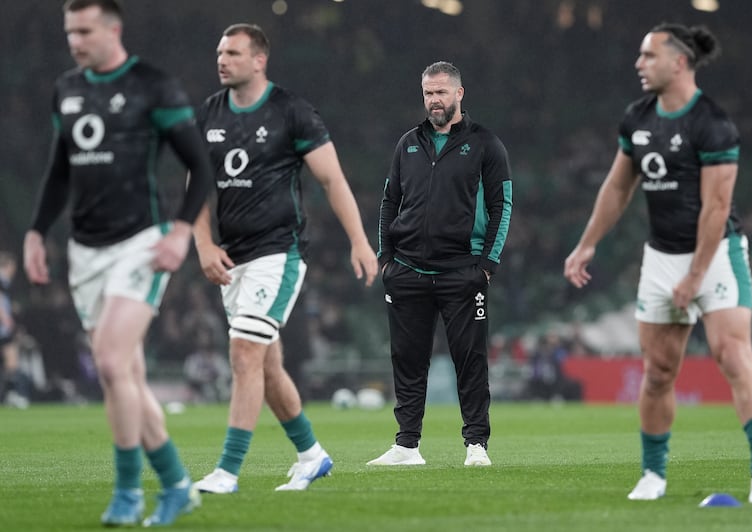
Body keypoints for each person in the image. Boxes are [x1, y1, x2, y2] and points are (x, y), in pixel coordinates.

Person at [564, 23, 752, 504]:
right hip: (661, 257)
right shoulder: (637, 118)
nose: (639, 64)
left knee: (731, 354)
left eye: (648, 55)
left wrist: (696, 276)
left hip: (717, 255)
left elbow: (716, 208)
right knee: (659, 371)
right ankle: (653, 475)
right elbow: (619, 187)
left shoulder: (714, 124)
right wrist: (587, 244)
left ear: (678, 62)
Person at [23, 0, 213, 525]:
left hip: (141, 244)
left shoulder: (153, 85)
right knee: (125, 376)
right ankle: (177, 484)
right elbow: (59, 170)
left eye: (84, 30)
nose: (75, 40)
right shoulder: (67, 88)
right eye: (69, 31)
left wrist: (179, 229)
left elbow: (200, 166)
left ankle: (128, 492)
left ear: (113, 29)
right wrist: (38, 231)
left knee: (109, 362)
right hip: (85, 252)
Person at [191, 23, 377, 493]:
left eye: (232, 52)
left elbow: (333, 181)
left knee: (244, 352)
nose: (222, 59)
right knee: (267, 367)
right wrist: (204, 245)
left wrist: (359, 241)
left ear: (259, 60)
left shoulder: (291, 112)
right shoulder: (209, 113)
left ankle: (227, 472)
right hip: (231, 261)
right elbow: (194, 191)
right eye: (219, 51)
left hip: (278, 253)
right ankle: (312, 455)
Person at [370, 61, 513, 467]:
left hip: (462, 272)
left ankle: (476, 446)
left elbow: (503, 203)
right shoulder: (407, 143)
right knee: (407, 361)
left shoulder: (486, 144)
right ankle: (407, 445)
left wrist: (487, 264)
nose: (434, 100)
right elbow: (388, 202)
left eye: (442, 92)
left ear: (459, 94)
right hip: (408, 271)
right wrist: (386, 259)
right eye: (429, 93)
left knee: (470, 361)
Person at [0, 252, 27, 409]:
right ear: (8, 265)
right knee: (12, 360)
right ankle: (12, 395)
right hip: (2, 328)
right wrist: (6, 318)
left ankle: (9, 395)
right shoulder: (2, 279)